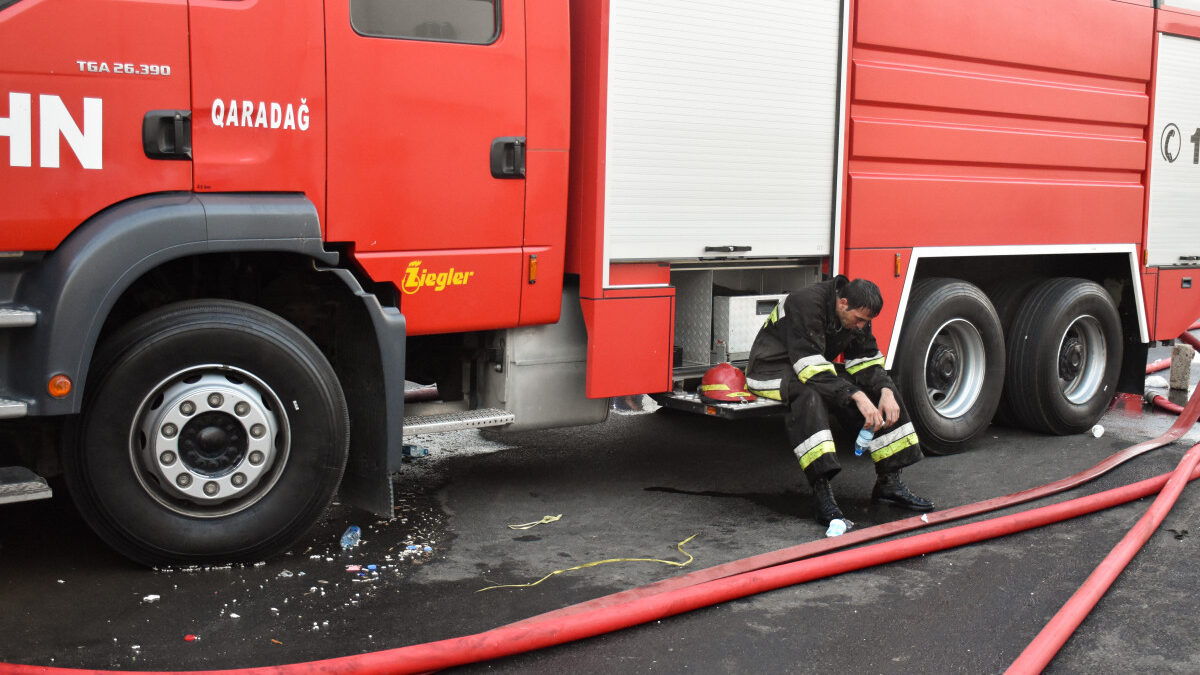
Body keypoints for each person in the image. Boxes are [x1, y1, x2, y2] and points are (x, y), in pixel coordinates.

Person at [745, 276, 933, 527]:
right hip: (770, 371)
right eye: (860, 320)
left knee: (881, 389)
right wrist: (856, 396)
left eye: (867, 322)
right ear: (843, 303)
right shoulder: (805, 302)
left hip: (809, 367)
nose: (861, 326)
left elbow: (866, 361)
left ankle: (890, 483)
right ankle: (823, 496)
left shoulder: (856, 312)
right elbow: (808, 368)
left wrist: (886, 391)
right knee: (809, 396)